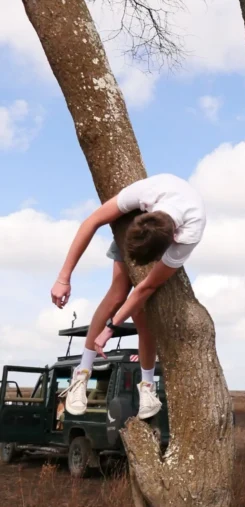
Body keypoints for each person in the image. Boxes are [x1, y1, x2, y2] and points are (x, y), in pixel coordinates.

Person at [51, 173, 206, 419]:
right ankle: (82, 373)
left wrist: (110, 328)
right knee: (116, 295)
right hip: (145, 228)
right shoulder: (147, 192)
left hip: (166, 237)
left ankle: (147, 386)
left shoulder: (188, 235)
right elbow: (92, 221)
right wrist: (64, 277)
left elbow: (145, 287)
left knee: (143, 311)